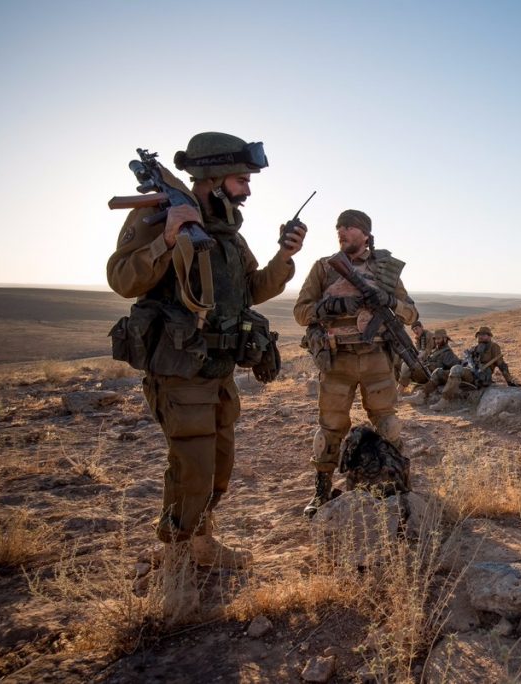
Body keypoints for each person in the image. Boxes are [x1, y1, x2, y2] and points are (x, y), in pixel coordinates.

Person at [107, 132, 304, 614]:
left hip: (217, 369)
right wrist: (169, 237)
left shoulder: (227, 231)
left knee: (218, 467)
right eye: (242, 179)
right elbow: (121, 279)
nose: (248, 190)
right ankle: (175, 561)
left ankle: (201, 542)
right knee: (191, 468)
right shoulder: (157, 214)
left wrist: (285, 257)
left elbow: (251, 291)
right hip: (178, 368)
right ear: (213, 178)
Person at [293, 209, 418, 518]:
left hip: (376, 358)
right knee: (329, 430)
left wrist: (390, 302)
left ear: (365, 233)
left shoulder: (385, 269)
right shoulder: (324, 268)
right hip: (337, 359)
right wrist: (329, 306)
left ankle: (400, 481)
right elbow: (300, 312)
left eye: (349, 227)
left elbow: (411, 314)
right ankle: (321, 492)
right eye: (339, 227)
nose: (342, 231)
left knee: (388, 424)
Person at [436, 326, 521, 404]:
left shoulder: (494, 347)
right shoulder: (475, 348)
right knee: (439, 372)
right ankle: (424, 394)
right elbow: (466, 363)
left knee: (456, 369)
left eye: (483, 335)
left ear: (489, 336)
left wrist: (509, 381)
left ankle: (444, 401)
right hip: (471, 373)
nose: (480, 337)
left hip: (482, 376)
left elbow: (501, 365)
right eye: (479, 335)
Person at [408, 328, 461, 400]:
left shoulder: (448, 352)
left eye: (438, 339)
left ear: (445, 339)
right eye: (435, 339)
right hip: (428, 373)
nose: (436, 341)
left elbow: (453, 367)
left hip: (435, 376)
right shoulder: (435, 351)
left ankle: (420, 396)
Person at [397, 320, 435, 391]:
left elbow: (427, 351)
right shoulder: (418, 338)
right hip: (423, 361)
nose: (415, 331)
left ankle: (400, 389)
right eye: (413, 330)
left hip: (431, 364)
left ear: (422, 327)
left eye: (416, 328)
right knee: (399, 362)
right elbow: (418, 351)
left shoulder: (428, 335)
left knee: (407, 364)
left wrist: (416, 358)